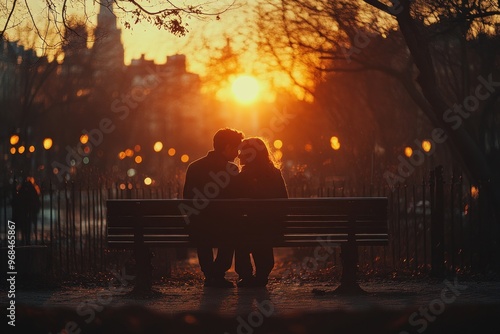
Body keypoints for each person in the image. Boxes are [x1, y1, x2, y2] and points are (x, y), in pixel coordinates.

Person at [183, 128, 244, 288]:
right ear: (228, 147)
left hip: (198, 226)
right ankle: (216, 274)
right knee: (231, 230)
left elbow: (187, 199)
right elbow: (237, 200)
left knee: (203, 232)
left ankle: (211, 275)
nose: (238, 153)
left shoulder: (194, 167)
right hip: (224, 227)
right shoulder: (231, 170)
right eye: (236, 148)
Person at [231, 137, 288, 287]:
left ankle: (246, 276)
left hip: (251, 228)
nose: (238, 156)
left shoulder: (242, 177)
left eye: (242, 152)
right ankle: (262, 273)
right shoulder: (275, 174)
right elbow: (284, 201)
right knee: (260, 230)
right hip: (273, 228)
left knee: (243, 232)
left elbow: (234, 205)